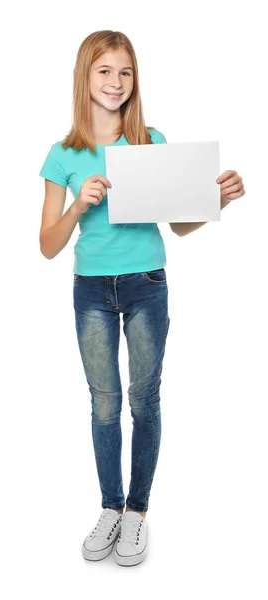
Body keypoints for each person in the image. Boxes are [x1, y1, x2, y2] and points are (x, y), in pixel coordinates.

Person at [39, 30, 246, 567]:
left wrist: (214, 200)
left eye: (125, 72)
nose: (115, 82)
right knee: (104, 404)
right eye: (104, 71)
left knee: (143, 399)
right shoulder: (64, 154)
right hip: (92, 290)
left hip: (146, 283)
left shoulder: (150, 141)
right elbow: (47, 245)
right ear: (85, 77)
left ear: (135, 81)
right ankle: (109, 506)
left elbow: (179, 226)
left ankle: (137, 513)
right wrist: (78, 206)